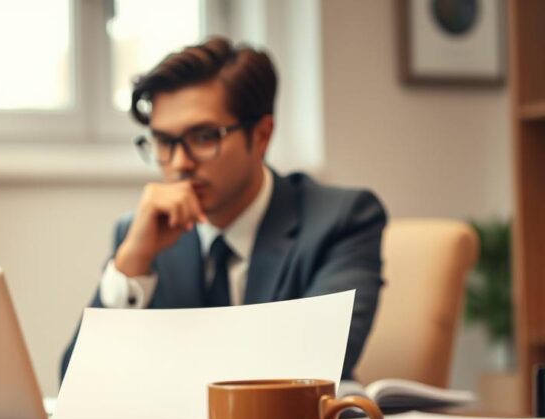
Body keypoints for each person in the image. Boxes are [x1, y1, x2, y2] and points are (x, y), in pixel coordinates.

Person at [60, 37, 387, 382]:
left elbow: (313, 366)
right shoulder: (142, 235)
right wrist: (130, 267)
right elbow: (76, 385)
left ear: (261, 136)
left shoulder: (342, 220)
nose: (180, 163)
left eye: (204, 137)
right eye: (164, 141)